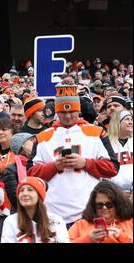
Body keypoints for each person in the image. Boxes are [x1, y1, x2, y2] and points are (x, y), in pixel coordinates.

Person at [28, 84, 119, 228]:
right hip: (53, 213)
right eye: (63, 112)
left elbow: (113, 168)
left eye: (73, 111)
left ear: (79, 110)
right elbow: (31, 175)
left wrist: (85, 163)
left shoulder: (96, 132)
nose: (68, 116)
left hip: (88, 211)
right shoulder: (42, 137)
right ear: (57, 112)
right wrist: (54, 166)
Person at [1, 177, 69, 243]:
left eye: (30, 190)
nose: (24, 193)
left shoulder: (56, 220)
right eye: (21, 190)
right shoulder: (10, 221)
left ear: (39, 195)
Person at [68, 181, 133, 243]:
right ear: (93, 205)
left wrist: (122, 237)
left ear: (117, 204)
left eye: (109, 204)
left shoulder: (130, 222)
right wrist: (88, 239)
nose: (104, 208)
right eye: (99, 205)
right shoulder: (80, 225)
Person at [3, 133, 37, 211]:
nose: (36, 143)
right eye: (31, 140)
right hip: (20, 213)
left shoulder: (38, 163)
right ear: (22, 145)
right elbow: (14, 197)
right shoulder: (11, 169)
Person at [107, 111, 133, 193]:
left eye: (131, 119)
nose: (130, 122)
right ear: (117, 123)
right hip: (114, 193)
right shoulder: (106, 145)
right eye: (127, 119)